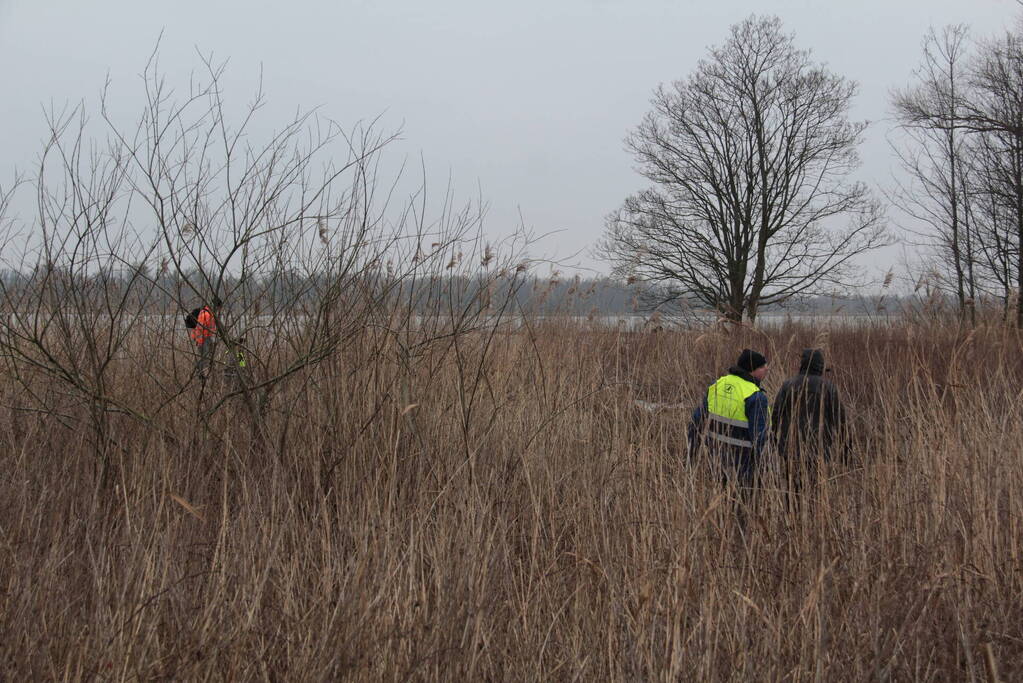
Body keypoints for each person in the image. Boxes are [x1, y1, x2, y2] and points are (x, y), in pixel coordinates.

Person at [688, 349, 771, 495]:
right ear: (752, 370)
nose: (766, 368)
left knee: (719, 495)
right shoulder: (755, 396)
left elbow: (697, 421)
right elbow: (759, 438)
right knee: (745, 499)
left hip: (715, 454)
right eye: (762, 366)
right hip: (744, 461)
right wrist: (766, 468)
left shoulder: (717, 384)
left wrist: (691, 452)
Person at [772, 348, 847, 497]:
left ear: (802, 365)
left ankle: (792, 518)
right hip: (818, 449)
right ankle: (814, 517)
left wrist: (774, 441)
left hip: (790, 449)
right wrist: (845, 450)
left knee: (792, 491)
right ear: (820, 367)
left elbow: (775, 415)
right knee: (816, 492)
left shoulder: (788, 385)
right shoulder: (829, 387)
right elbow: (840, 421)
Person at [186, 297, 220, 378]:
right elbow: (200, 329)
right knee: (204, 357)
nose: (219, 310)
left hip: (207, 338)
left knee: (209, 356)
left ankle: (210, 372)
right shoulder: (206, 314)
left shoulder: (210, 313)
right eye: (219, 308)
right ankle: (200, 375)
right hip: (202, 339)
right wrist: (200, 341)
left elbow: (210, 328)